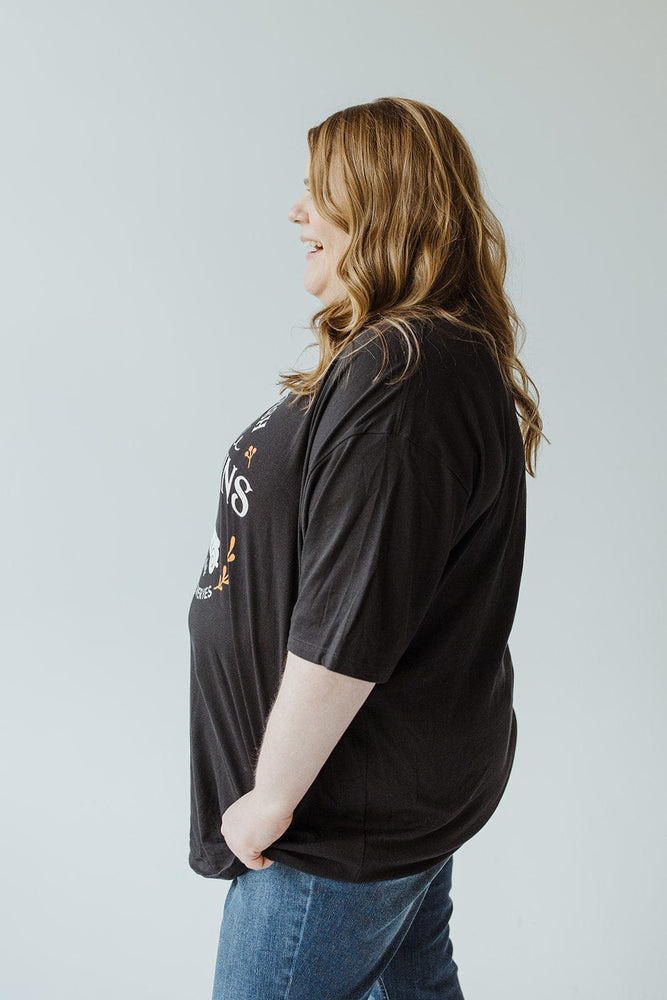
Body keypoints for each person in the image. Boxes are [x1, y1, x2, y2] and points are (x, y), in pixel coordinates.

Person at [188, 96, 546, 1000]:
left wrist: (272, 796)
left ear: (381, 204)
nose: (295, 212)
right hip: (374, 792)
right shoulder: (403, 359)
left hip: (334, 817)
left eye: (319, 193)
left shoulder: (404, 375)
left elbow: (352, 615)